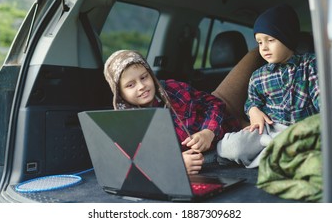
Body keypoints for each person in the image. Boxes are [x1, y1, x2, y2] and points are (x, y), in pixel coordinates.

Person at [103, 50, 241, 174]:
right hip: (190, 168)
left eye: (144, 77)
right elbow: (134, 161)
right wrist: (175, 165)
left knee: (238, 145)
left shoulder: (175, 89)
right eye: (130, 85)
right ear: (119, 93)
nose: (141, 86)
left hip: (220, 144)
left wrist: (208, 132)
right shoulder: (126, 123)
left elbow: (214, 103)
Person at [216, 4, 320, 168]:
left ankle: (276, 154)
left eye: (270, 40)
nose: (263, 47)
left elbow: (321, 99)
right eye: (259, 42)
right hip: (269, 130)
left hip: (303, 130)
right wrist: (252, 110)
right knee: (231, 146)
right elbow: (252, 100)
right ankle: (279, 152)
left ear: (287, 38)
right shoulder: (258, 75)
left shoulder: (311, 65)